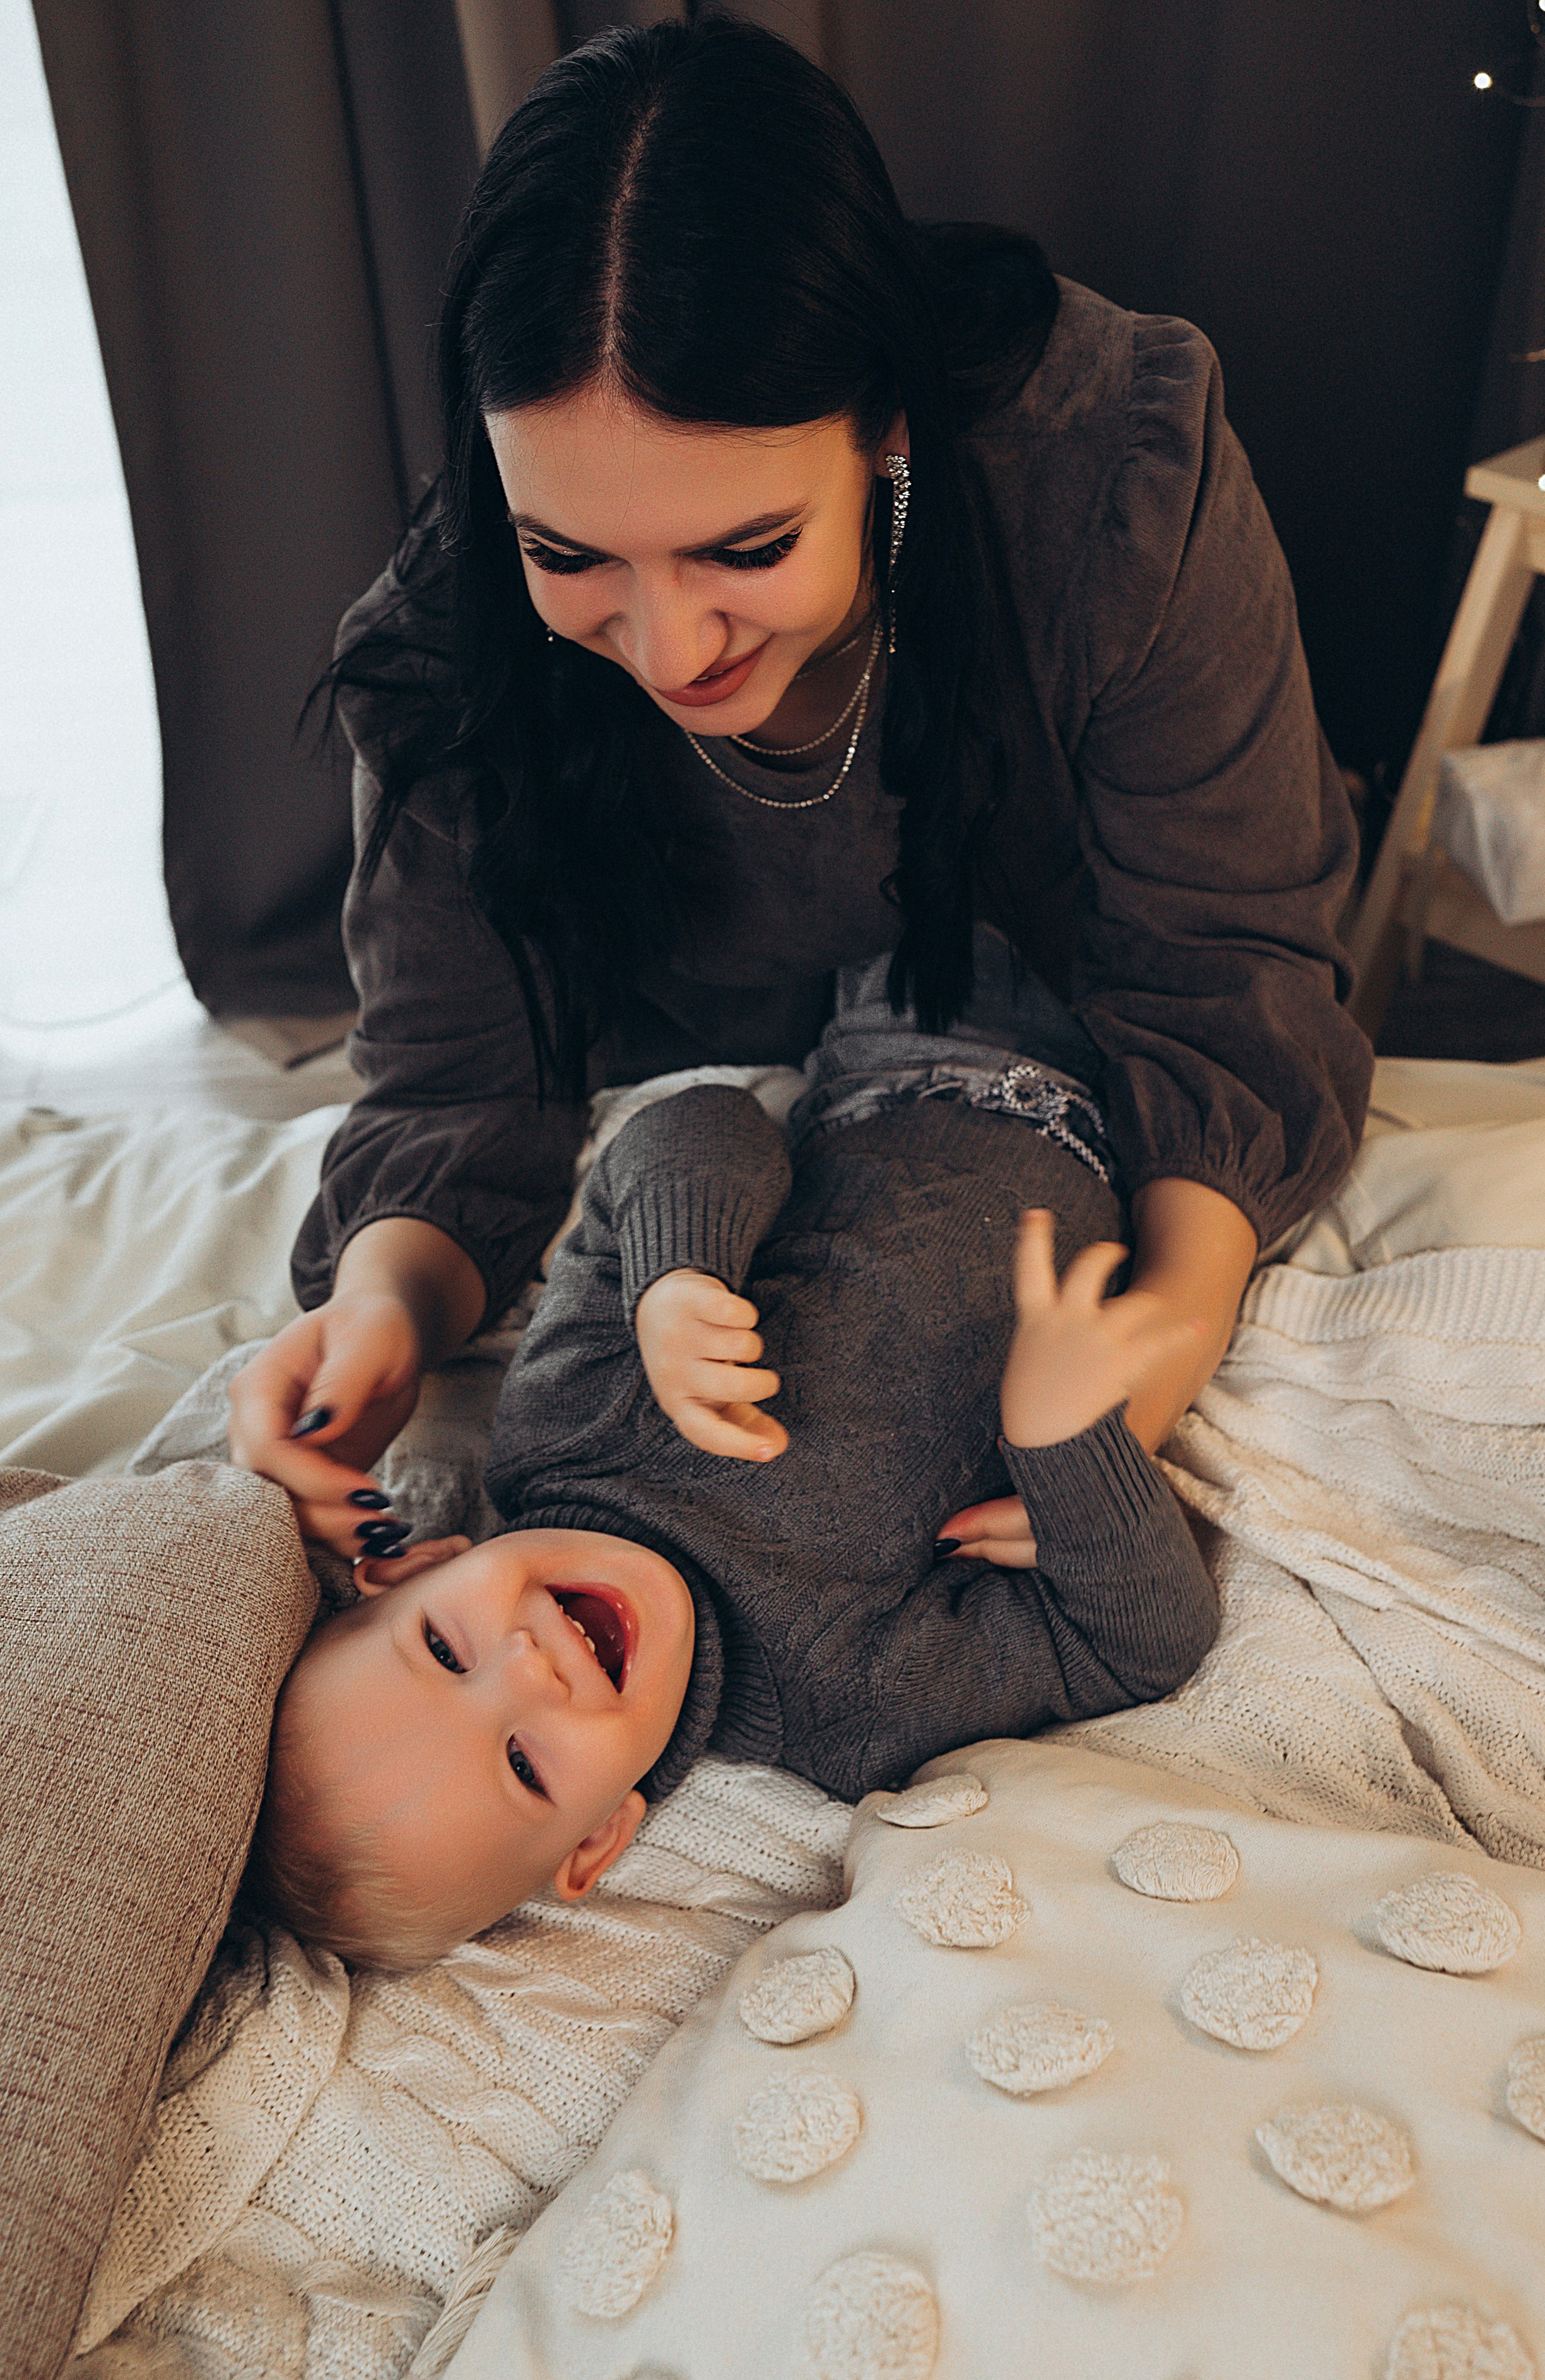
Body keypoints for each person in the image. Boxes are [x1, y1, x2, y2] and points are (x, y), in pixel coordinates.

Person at [227, 14, 1372, 1577]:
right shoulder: (446, 642)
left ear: (884, 434)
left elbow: (1225, 974)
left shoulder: (1111, 472)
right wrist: (383, 1308)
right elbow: (454, 1079)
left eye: (745, 549)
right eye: (569, 554)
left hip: (1063, 1055)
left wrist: (1170, 1317)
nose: (667, 647)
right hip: (698, 1120)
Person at [251, 935, 1219, 1968]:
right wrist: (1066, 1444)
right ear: (600, 1836)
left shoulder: (565, 1427)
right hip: (1175, 1150)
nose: (526, 1667)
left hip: (924, 1025)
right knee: (1230, 997)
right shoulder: (847, 1706)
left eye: (447, 1648)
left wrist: (676, 1273)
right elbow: (1137, 1645)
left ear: (421, 1563)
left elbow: (696, 1123)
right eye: (525, 1763)